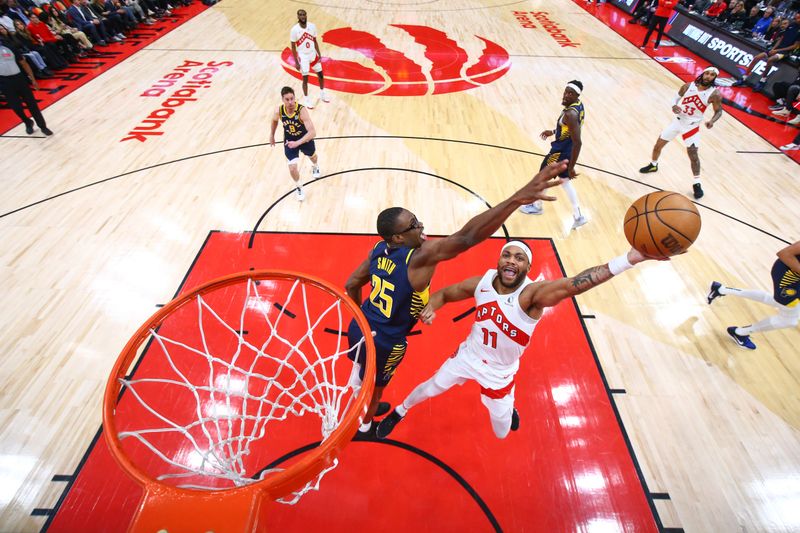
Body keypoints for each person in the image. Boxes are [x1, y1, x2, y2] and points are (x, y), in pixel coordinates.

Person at [344, 164, 567, 437]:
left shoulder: (379, 248)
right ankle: (365, 426)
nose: (421, 225)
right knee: (377, 386)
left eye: (416, 219)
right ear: (399, 237)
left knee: (359, 369)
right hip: (387, 341)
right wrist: (516, 198)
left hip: (361, 327)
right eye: (413, 225)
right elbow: (467, 237)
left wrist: (360, 316)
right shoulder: (420, 257)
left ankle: (357, 394)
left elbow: (351, 284)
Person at [376, 241, 656, 440]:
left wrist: (627, 260)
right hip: (468, 356)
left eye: (519, 258)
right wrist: (431, 306)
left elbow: (577, 283)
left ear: (527, 267)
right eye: (507, 255)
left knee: (501, 431)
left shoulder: (532, 295)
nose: (511, 260)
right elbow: (446, 294)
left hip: (499, 373)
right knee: (430, 386)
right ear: (499, 261)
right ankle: (400, 412)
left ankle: (509, 406)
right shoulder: (483, 281)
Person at [639, 67, 723, 199]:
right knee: (658, 145)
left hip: (691, 126)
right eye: (707, 73)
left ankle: (697, 183)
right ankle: (653, 165)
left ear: (714, 78)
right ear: (703, 73)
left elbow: (719, 111)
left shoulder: (715, 94)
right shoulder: (688, 86)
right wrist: (674, 106)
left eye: (712, 75)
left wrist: (712, 121)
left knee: (693, 155)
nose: (708, 76)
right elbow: (675, 99)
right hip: (677, 122)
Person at [519, 80, 588, 229]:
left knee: (542, 176)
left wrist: (571, 166)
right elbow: (570, 130)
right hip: (566, 150)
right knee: (564, 182)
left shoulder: (570, 113)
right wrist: (553, 132)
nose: (566, 95)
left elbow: (578, 142)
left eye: (570, 93)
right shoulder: (578, 106)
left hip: (560, 152)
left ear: (577, 95)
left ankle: (537, 206)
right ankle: (578, 216)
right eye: (565, 91)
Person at [708, 240, 800, 350]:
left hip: (795, 275)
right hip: (787, 275)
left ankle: (721, 289)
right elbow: (784, 254)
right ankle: (739, 333)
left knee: (781, 303)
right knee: (788, 320)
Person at [269, 86, 320, 201]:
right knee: (292, 168)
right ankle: (299, 187)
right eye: (287, 99)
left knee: (313, 157)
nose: (291, 102)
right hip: (289, 140)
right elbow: (274, 121)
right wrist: (272, 135)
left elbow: (312, 132)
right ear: (282, 99)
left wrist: (298, 143)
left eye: (292, 98)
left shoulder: (301, 110)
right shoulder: (279, 110)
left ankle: (316, 166)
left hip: (304, 138)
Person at [0, 25, 53, 135]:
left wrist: (33, 79)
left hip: (19, 78)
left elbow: (23, 63)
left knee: (32, 104)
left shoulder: (9, 47)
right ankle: (27, 122)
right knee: (16, 107)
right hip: (4, 82)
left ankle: (42, 126)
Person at [735, 12, 799, 90]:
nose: (796, 19)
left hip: (785, 52)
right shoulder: (791, 25)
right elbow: (781, 38)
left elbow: (794, 46)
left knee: (770, 60)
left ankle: (762, 80)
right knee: (756, 57)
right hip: (776, 49)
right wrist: (773, 49)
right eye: (796, 18)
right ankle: (744, 78)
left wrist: (777, 50)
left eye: (798, 18)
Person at [290, 9, 328, 108]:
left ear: (306, 15)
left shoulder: (312, 26)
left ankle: (322, 93)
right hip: (303, 56)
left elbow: (315, 41)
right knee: (305, 79)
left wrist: (319, 53)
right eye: (300, 15)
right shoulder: (294, 30)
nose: (302, 16)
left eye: (304, 14)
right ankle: (307, 100)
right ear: (298, 17)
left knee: (321, 75)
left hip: (312, 54)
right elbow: (293, 47)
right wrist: (296, 62)